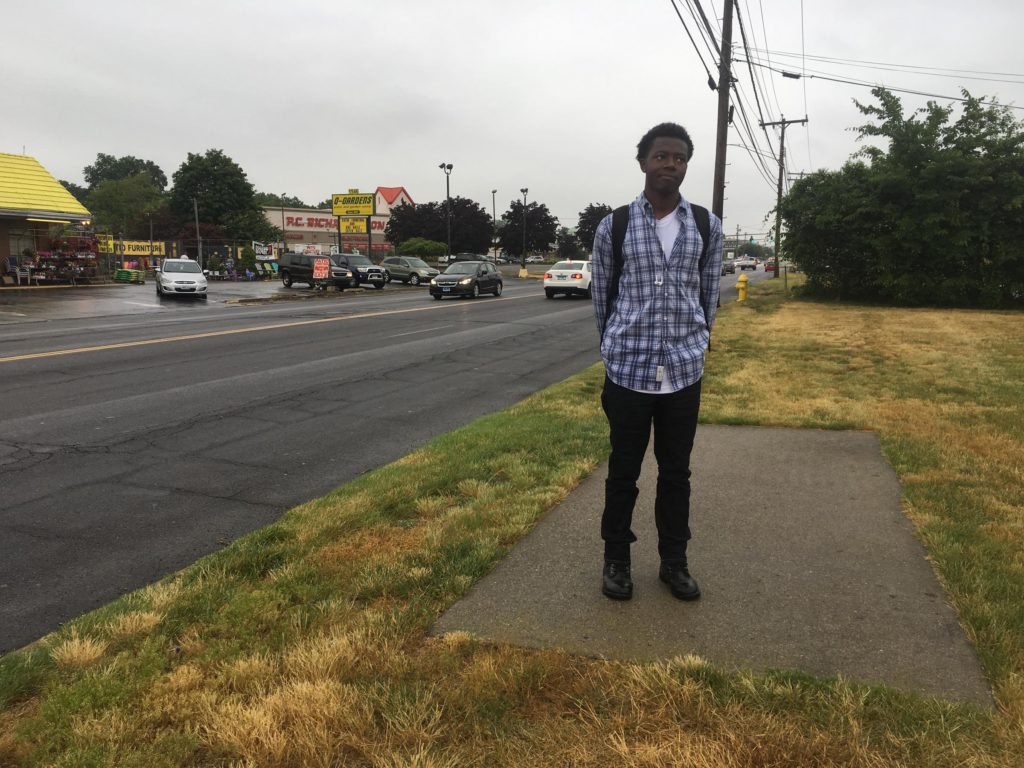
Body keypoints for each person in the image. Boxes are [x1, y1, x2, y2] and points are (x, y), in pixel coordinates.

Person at [590, 122, 723, 602]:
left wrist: (699, 341)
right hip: (628, 370)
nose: (671, 164)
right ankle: (617, 562)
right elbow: (602, 295)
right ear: (644, 161)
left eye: (680, 157)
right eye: (662, 156)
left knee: (676, 473)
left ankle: (674, 562)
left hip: (684, 372)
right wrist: (610, 346)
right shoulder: (616, 225)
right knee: (623, 470)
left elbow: (710, 294)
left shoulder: (706, 226)